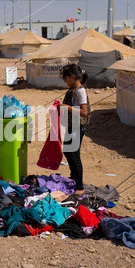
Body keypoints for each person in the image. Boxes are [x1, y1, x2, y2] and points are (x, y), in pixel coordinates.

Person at [58, 64, 91, 194]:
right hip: (71, 125)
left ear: (72, 77)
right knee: (67, 150)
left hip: (78, 126)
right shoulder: (73, 90)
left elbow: (84, 112)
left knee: (74, 155)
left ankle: (80, 187)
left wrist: (67, 107)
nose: (65, 81)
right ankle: (74, 176)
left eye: (65, 78)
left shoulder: (81, 91)